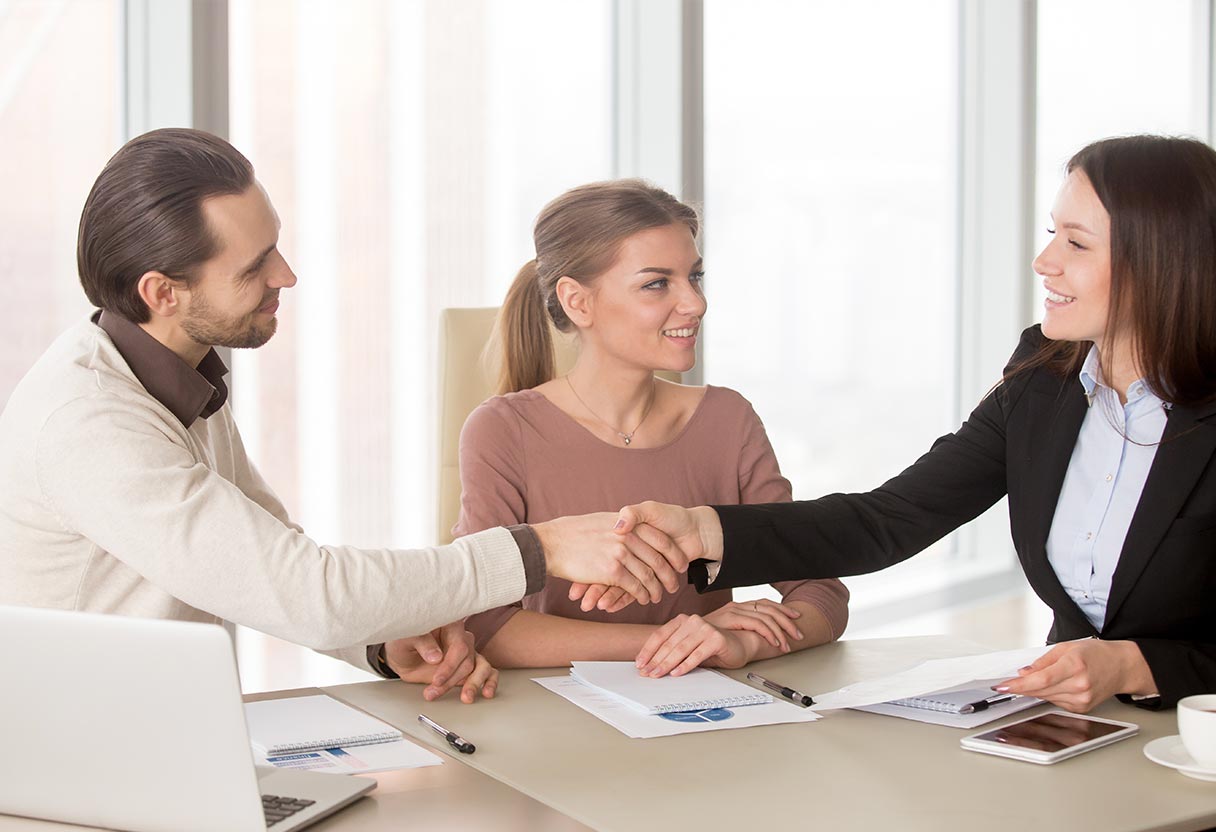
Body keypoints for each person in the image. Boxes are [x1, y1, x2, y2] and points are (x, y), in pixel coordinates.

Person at [0, 129, 689, 704]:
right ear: (163, 293)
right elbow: (304, 589)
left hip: (162, 754)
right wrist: (539, 549)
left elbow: (269, 558)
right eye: (254, 266)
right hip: (79, 787)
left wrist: (385, 643)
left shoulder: (175, 381)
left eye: (276, 244)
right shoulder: (90, 424)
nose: (287, 275)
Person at [604, 135, 1216, 713]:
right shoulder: (1045, 380)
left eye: (1077, 244)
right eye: (1053, 233)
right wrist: (703, 532)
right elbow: (887, 519)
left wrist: (1136, 668)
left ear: (1162, 260)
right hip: (1081, 732)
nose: (1044, 261)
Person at [451, 179, 848, 673]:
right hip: (559, 723)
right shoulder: (503, 430)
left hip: (710, 718)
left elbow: (820, 592)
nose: (695, 303)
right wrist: (677, 640)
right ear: (578, 302)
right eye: (657, 283)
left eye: (695, 277)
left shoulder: (728, 420)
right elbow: (485, 626)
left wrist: (743, 644)